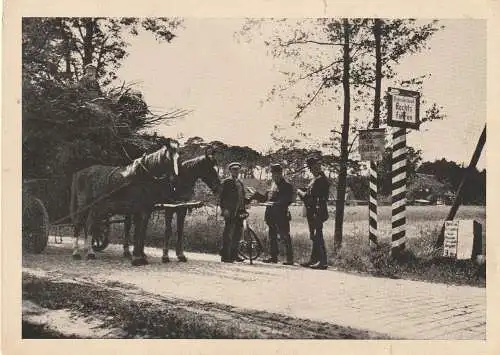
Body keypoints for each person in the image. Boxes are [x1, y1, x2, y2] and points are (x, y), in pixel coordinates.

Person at [251, 163, 294, 265]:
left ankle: (290, 259)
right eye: (273, 174)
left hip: (281, 215)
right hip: (271, 215)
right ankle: (273, 257)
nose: (274, 176)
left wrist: (275, 203)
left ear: (280, 173)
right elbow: (266, 198)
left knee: (285, 236)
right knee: (272, 236)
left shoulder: (287, 185)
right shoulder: (272, 185)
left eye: (276, 173)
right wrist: (255, 195)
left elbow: (287, 200)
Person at [297, 155, 330, 270]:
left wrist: (300, 192)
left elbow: (308, 197)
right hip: (313, 210)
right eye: (314, 167)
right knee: (315, 235)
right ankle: (314, 259)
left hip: (317, 211)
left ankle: (322, 261)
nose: (317, 168)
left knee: (318, 235)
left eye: (318, 166)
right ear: (310, 168)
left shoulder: (320, 180)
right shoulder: (316, 179)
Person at [219, 162, 249, 263]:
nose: (236, 171)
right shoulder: (226, 182)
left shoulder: (240, 182)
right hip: (230, 211)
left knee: (237, 234)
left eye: (237, 169)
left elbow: (242, 197)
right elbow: (221, 197)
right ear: (230, 170)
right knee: (228, 233)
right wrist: (224, 209)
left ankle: (234, 255)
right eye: (234, 169)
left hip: (240, 211)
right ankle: (225, 256)